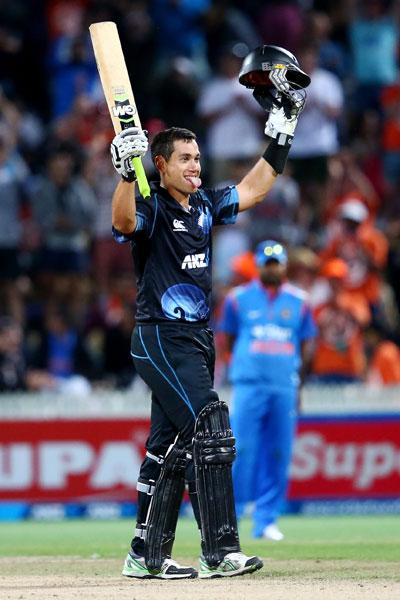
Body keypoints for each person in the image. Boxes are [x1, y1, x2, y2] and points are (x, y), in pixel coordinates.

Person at [109, 46, 309, 579]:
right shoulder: (150, 207)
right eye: (185, 160)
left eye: (198, 159)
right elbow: (124, 223)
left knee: (168, 445)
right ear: (161, 165)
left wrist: (283, 130)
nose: (196, 168)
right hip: (159, 337)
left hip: (196, 339)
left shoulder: (200, 206)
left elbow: (253, 188)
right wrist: (126, 173)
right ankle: (220, 550)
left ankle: (144, 555)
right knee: (211, 427)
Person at [219, 241, 316, 541]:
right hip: (249, 385)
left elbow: (306, 344)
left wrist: (296, 380)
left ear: (285, 266)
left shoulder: (300, 300)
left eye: (277, 263)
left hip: (283, 386)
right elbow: (228, 340)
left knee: (278, 452)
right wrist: (245, 367)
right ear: (259, 265)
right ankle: (229, 520)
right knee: (240, 451)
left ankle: (266, 520)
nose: (272, 268)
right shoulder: (238, 299)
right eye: (267, 263)